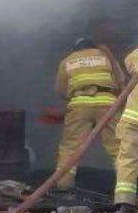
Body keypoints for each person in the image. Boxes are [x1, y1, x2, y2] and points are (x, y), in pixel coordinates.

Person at [53, 37, 123, 192]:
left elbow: (60, 89)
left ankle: (63, 188)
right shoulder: (106, 56)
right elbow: (120, 82)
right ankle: (128, 188)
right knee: (117, 147)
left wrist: (75, 95)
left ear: (76, 49)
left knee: (70, 148)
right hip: (107, 105)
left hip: (79, 106)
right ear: (92, 46)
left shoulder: (68, 60)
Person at [117, 42, 138, 213]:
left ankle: (125, 204)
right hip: (132, 121)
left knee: (127, 160)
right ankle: (125, 203)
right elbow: (129, 60)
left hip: (132, 120)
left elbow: (130, 60)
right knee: (127, 159)